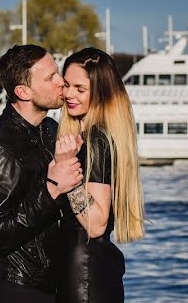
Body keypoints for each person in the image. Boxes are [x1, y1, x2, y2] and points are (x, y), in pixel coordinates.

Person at [0, 44, 83, 302]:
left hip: (52, 283)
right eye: (50, 77)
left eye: (58, 72)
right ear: (23, 92)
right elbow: (0, 234)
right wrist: (53, 188)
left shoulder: (50, 129)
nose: (61, 82)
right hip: (15, 287)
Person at [55, 48, 146, 303]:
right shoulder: (93, 135)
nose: (69, 94)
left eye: (80, 89)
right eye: (66, 85)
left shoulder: (97, 139)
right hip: (90, 271)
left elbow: (95, 224)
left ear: (100, 93)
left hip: (83, 277)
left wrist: (66, 167)